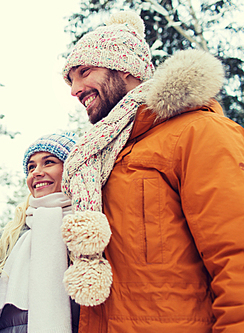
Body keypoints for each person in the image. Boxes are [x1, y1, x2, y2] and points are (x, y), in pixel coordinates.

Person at [60, 10, 244, 333]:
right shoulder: (100, 161)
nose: (75, 89)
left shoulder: (199, 133)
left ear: (127, 69)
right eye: (70, 80)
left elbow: (237, 257)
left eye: (85, 71)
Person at [0, 132, 80, 333]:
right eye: (31, 167)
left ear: (71, 168)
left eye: (48, 162)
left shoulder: (88, 229)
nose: (36, 172)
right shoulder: (10, 235)